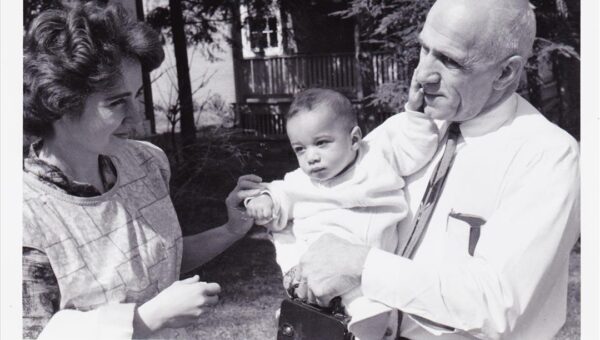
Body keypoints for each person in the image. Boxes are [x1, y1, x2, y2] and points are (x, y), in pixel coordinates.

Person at [287, 0, 580, 339]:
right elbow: (334, 194)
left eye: (450, 60)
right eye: (424, 48)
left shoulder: (547, 156)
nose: (423, 73)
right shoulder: (407, 127)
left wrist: (361, 264)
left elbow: (497, 307)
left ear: (505, 72)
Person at [22, 3, 262, 339]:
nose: (137, 117)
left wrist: (231, 230)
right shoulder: (25, 216)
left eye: (136, 96)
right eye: (117, 102)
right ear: (60, 101)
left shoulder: (146, 163)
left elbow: (158, 261)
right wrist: (148, 318)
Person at [245, 88, 438, 339]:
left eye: (321, 143)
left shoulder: (379, 160)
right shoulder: (301, 181)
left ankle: (362, 323)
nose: (311, 157)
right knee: (299, 267)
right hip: (314, 267)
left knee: (368, 306)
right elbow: (280, 192)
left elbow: (416, 150)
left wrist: (416, 115)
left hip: (366, 263)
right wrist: (263, 199)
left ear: (355, 139)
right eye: (300, 149)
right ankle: (304, 313)